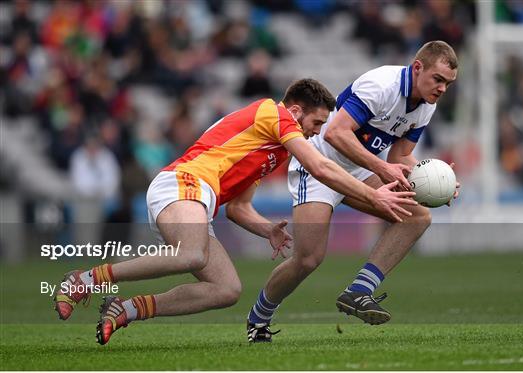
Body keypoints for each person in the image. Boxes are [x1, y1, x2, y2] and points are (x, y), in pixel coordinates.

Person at [53, 79, 417, 345]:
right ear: (294, 111)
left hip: (196, 198)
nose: (315, 133)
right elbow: (320, 168)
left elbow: (239, 209)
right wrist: (376, 198)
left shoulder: (272, 147)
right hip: (183, 183)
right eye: (315, 124)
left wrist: (266, 230)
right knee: (191, 253)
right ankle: (86, 279)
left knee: (226, 289)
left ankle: (126, 309)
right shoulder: (272, 114)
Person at [246, 41, 460, 342]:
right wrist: (382, 169)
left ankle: (359, 291)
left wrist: (441, 179)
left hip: (359, 171)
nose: (441, 89)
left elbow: (400, 157)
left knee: (417, 216)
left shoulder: (426, 105)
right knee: (308, 258)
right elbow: (335, 134)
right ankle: (258, 318)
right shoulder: (381, 85)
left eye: (448, 84)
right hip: (318, 165)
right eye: (438, 80)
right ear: (417, 68)